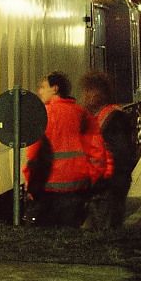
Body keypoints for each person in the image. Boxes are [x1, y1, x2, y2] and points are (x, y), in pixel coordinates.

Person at [23, 71, 107, 227]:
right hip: (77, 188)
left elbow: (33, 155)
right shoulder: (82, 114)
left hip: (48, 190)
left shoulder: (42, 115)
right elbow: (97, 153)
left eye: (43, 87)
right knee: (71, 235)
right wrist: (90, 180)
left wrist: (31, 185)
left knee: (48, 236)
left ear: (55, 89)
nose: (39, 91)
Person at [80, 71, 137, 230]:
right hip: (104, 186)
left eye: (87, 92)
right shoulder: (104, 117)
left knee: (106, 228)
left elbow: (121, 155)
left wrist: (104, 182)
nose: (84, 96)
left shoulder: (114, 119)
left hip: (108, 187)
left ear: (96, 94)